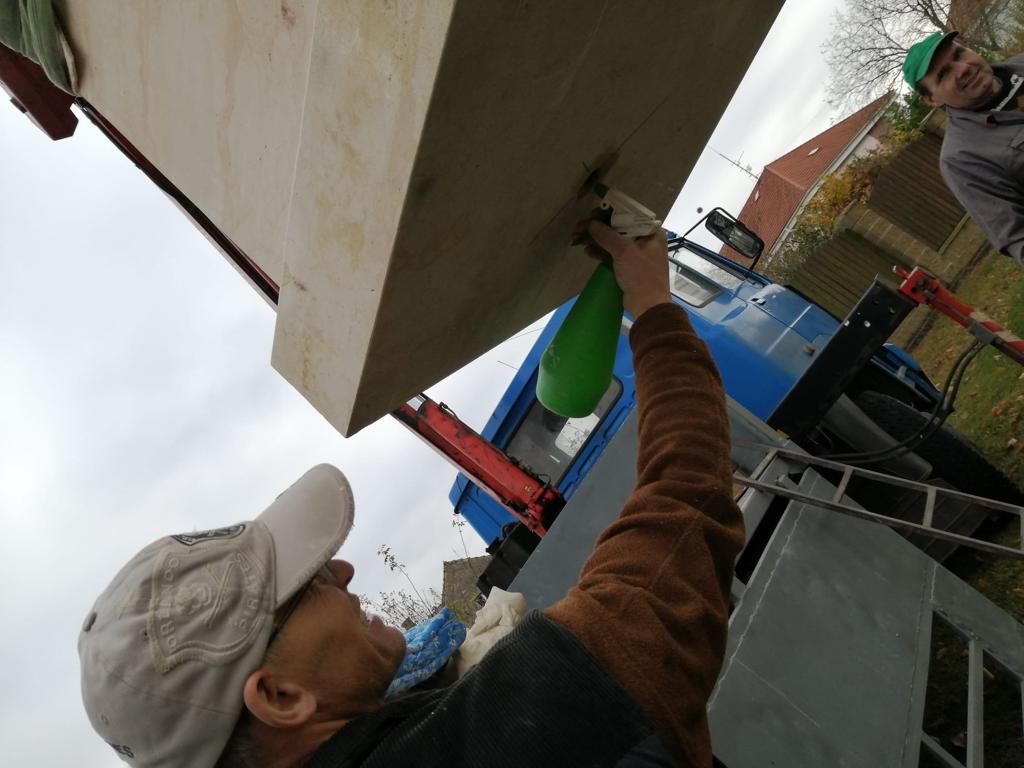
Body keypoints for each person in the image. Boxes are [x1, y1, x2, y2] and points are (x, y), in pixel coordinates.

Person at [79, 220, 743, 767]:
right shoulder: (523, 721)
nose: (341, 570)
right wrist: (653, 304)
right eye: (308, 586)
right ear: (280, 697)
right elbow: (686, 499)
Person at [903, 31, 1024, 266]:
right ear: (932, 100)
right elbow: (1017, 236)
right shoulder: (962, 159)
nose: (963, 68)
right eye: (944, 74)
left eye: (959, 54)